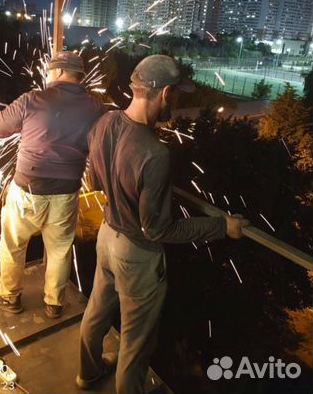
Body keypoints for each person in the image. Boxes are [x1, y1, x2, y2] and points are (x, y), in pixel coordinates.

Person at [77, 55, 249, 394]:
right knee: (135, 343)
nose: (178, 101)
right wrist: (220, 227)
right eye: (177, 95)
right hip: (136, 256)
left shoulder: (104, 122)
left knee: (96, 313)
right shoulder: (155, 153)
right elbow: (156, 229)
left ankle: (88, 373)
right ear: (166, 93)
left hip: (107, 236)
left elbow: (95, 180)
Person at [0, 51, 104, 319]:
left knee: (14, 244)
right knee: (60, 249)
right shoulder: (96, 108)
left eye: (49, 71)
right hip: (67, 191)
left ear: (60, 72)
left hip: (28, 189)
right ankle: (54, 303)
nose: (47, 75)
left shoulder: (33, 100)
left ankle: (10, 297)